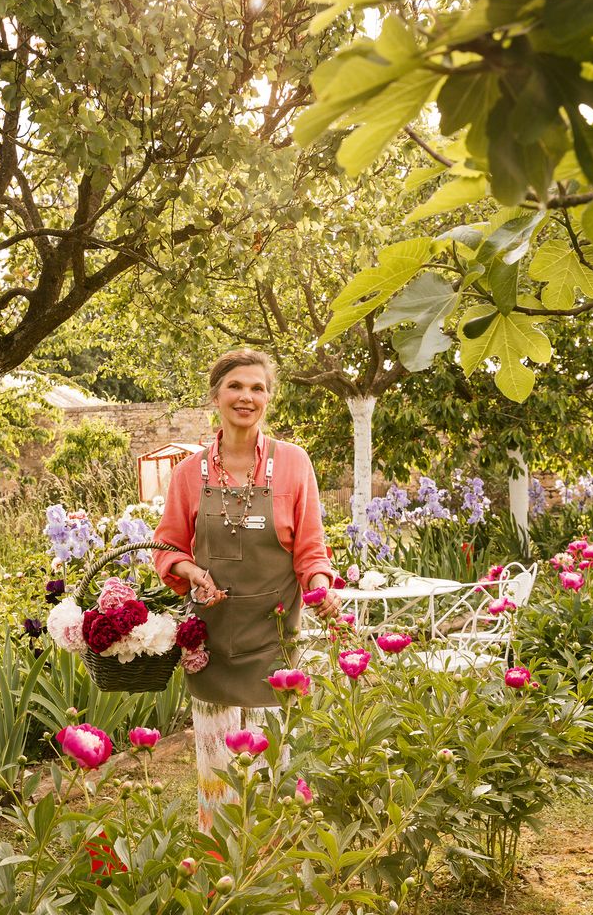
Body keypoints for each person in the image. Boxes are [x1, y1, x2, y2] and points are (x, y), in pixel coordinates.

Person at [153, 348, 339, 832]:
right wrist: (189, 570)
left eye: (258, 388)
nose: (246, 397)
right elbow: (166, 546)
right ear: (216, 395)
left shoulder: (295, 464)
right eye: (236, 386)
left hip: (274, 642)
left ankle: (270, 876)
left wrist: (321, 590)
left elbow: (312, 552)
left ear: (269, 399)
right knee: (217, 776)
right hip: (211, 644)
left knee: (269, 771)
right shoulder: (189, 474)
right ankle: (219, 873)